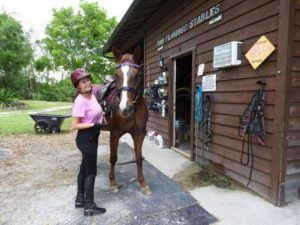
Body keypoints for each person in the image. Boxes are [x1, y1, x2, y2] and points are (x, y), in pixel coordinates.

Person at [71, 68, 106, 217]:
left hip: (92, 137)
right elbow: (74, 125)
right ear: (78, 86)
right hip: (86, 138)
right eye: (83, 82)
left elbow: (94, 112)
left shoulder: (91, 96)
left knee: (84, 169)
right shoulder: (80, 101)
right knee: (91, 172)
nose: (87, 83)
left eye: (88, 80)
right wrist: (94, 125)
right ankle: (89, 206)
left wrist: (102, 114)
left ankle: (80, 199)